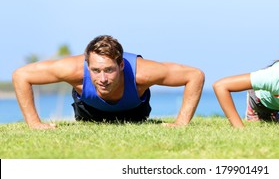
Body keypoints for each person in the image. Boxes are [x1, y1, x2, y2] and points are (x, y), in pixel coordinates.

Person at [12, 35, 205, 129]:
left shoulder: (142, 73)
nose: (102, 79)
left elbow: (194, 75)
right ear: (87, 65)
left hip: (134, 114)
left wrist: (181, 122)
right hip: (88, 112)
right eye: (95, 71)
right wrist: (34, 123)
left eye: (109, 70)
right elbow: (21, 76)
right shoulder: (72, 69)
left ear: (121, 65)